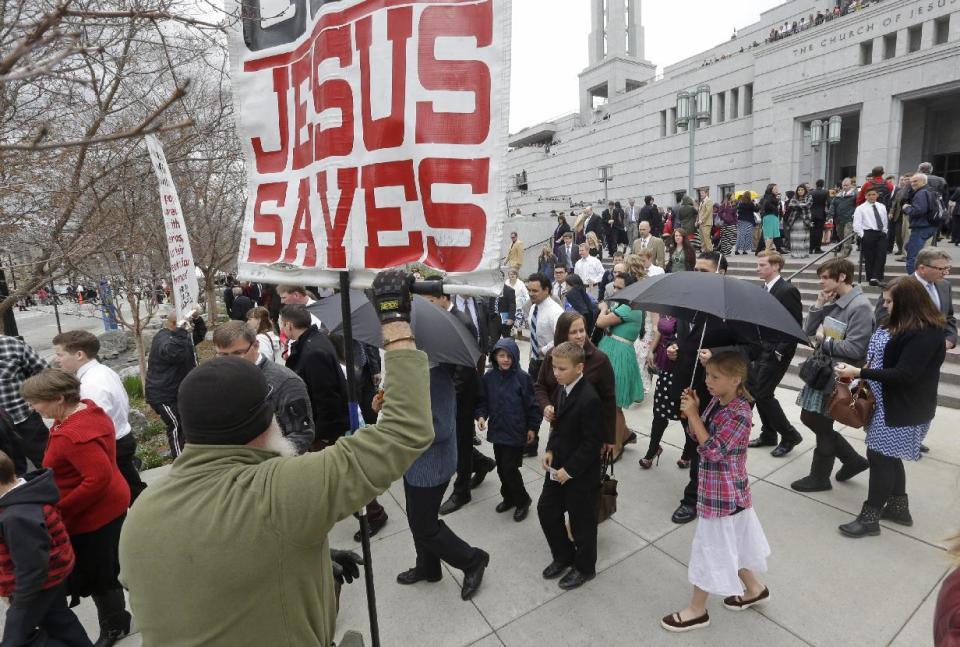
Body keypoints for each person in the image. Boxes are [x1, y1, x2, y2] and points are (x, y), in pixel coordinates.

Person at [119, 270, 436, 645]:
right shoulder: (279, 494)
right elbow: (405, 430)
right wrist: (395, 320)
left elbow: (208, 576)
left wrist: (307, 559)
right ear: (267, 422)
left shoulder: (141, 513)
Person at [660, 352, 770, 633]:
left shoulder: (740, 413)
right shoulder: (718, 402)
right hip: (720, 490)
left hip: (724, 494)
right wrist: (694, 410)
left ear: (735, 380)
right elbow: (698, 436)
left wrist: (695, 414)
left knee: (710, 550)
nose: (708, 381)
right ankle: (755, 588)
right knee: (735, 544)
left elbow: (714, 450)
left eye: (715, 377)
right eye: (707, 374)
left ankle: (697, 611)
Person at [20, 370, 131, 646]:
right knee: (104, 567)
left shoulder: (74, 435)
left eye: (35, 402)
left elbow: (96, 479)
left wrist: (61, 510)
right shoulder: (87, 412)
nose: (31, 407)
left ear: (58, 398)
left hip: (94, 516)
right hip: (107, 505)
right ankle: (116, 619)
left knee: (101, 574)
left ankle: (115, 624)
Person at [834, 278, 946, 537]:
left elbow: (906, 374)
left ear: (907, 302)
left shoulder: (926, 332)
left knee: (880, 457)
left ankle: (870, 517)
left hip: (903, 408)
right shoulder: (898, 323)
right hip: (885, 402)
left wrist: (859, 371)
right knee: (887, 455)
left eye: (889, 301)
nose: (884, 306)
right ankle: (898, 508)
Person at [386, 363, 490, 600]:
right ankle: (428, 567)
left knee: (425, 525)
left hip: (431, 466)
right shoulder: (413, 369)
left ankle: (473, 560)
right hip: (413, 462)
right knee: (417, 518)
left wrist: (399, 423)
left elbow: (440, 427)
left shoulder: (436, 376)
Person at [791, 258, 872, 493]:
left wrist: (823, 341)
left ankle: (820, 476)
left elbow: (856, 349)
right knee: (813, 418)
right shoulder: (834, 300)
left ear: (842, 277)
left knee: (821, 422)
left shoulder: (860, 307)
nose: (821, 282)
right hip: (824, 372)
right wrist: (818, 305)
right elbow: (806, 332)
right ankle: (852, 460)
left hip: (840, 377)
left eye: (826, 277)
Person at [0, 451, 91, 647]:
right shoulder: (25, 493)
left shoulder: (16, 516)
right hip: (50, 577)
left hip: (35, 587)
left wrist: (21, 601)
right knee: (61, 624)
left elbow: (32, 566)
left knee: (17, 641)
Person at [537, 342, 603, 591]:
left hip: (579, 474)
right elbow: (558, 425)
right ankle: (563, 555)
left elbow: (592, 442)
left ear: (579, 368)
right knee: (546, 510)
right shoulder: (562, 389)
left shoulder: (589, 398)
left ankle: (585, 567)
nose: (555, 372)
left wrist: (571, 470)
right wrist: (550, 450)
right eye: (554, 367)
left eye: (562, 368)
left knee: (581, 522)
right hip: (558, 466)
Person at [52, 331, 147, 503]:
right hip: (120, 438)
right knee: (132, 487)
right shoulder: (101, 371)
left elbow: (96, 425)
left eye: (60, 354)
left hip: (113, 444)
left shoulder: (91, 385)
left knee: (130, 493)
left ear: (79, 355)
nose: (57, 359)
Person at [212, 321, 315, 455]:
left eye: (237, 353)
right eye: (223, 355)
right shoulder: (214, 377)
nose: (229, 361)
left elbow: (302, 434)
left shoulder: (286, 382)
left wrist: (265, 460)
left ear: (255, 346)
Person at [475, 338, 542, 522]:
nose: (505, 360)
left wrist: (533, 428)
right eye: (501, 355)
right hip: (498, 430)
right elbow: (483, 401)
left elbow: (533, 406)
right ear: (495, 356)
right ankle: (509, 497)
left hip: (516, 431)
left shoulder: (523, 378)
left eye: (509, 356)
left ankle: (523, 500)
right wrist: (481, 415)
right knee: (502, 469)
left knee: (509, 468)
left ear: (515, 357)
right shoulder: (489, 378)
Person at [535, 312, 617, 457]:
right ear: (562, 334)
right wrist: (546, 405)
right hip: (558, 429)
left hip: (587, 434)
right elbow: (540, 386)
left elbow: (608, 401)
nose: (580, 336)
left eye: (582, 330)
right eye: (573, 332)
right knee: (556, 472)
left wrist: (609, 437)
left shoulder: (600, 360)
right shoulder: (552, 356)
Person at [747, 252, 804, 457]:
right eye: (758, 264)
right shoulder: (765, 288)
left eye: (762, 265)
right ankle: (769, 434)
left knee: (762, 394)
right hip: (762, 348)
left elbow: (795, 324)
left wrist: (781, 350)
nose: (757, 268)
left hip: (777, 351)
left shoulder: (787, 290)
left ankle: (790, 435)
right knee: (757, 392)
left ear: (776, 266)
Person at [280, 304, 349, 450]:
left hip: (323, 433)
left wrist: (322, 436)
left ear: (289, 325)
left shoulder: (313, 351)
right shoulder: (313, 340)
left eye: (281, 324)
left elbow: (326, 396)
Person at [595, 274, 645, 456]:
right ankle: (625, 435)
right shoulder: (624, 306)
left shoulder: (629, 308)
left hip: (619, 356)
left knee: (613, 405)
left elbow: (601, 322)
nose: (614, 290)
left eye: (618, 287)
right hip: (612, 352)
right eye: (614, 286)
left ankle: (616, 447)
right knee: (609, 402)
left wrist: (602, 308)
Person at [145, 312, 197, 458]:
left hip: (178, 391)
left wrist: (197, 320)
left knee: (187, 424)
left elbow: (197, 338)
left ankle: (190, 458)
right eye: (188, 324)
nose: (190, 327)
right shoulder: (163, 338)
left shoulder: (180, 337)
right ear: (175, 324)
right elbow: (173, 353)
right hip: (163, 394)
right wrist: (181, 331)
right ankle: (180, 462)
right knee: (177, 425)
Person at [642, 313, 686, 469]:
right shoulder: (667, 307)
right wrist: (651, 350)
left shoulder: (689, 314)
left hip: (683, 369)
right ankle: (652, 450)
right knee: (659, 412)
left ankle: (688, 453)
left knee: (685, 415)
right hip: (665, 366)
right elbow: (659, 330)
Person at [0, 335, 49, 473]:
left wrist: (37, 401)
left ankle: (57, 491)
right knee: (7, 473)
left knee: (47, 461)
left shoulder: (11, 345)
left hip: (24, 419)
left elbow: (44, 373)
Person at [913, 249, 957, 349]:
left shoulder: (945, 285)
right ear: (922, 268)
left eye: (948, 268)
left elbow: (948, 316)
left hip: (936, 354)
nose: (946, 273)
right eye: (941, 269)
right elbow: (885, 321)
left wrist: (950, 339)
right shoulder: (898, 288)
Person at [904, 173, 943, 274]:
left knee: (912, 258)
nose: (913, 184)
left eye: (916, 181)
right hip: (930, 226)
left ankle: (914, 282)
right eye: (912, 181)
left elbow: (918, 211)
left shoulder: (921, 193)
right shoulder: (932, 191)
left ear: (923, 181)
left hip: (921, 227)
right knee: (909, 247)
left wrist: (906, 208)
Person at [853, 187, 889, 286]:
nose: (872, 196)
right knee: (870, 257)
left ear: (877, 195)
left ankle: (878, 276)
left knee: (881, 256)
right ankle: (871, 277)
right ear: (865, 196)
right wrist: (862, 235)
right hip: (868, 233)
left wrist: (885, 231)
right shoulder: (860, 208)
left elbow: (884, 220)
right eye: (869, 195)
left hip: (881, 233)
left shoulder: (881, 206)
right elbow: (857, 224)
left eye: (874, 194)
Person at [830, 178, 858, 258]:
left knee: (847, 235)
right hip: (838, 219)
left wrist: (855, 215)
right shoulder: (838, 195)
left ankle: (845, 252)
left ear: (850, 185)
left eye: (847, 185)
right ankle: (848, 247)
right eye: (844, 185)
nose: (845, 187)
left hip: (849, 218)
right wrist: (830, 216)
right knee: (840, 234)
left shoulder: (855, 194)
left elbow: (857, 205)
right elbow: (833, 205)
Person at [785, 184, 811, 259]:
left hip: (804, 220)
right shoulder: (794, 197)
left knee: (803, 237)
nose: (800, 191)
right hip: (794, 220)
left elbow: (808, 205)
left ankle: (803, 254)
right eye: (799, 190)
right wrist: (801, 204)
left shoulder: (809, 197)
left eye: (802, 190)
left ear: (805, 190)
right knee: (794, 237)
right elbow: (791, 205)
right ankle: (795, 254)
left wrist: (798, 204)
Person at [505, 268, 529, 334]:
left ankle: (519, 334)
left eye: (514, 274)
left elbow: (526, 294)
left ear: (516, 275)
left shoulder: (520, 283)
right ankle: (511, 336)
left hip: (518, 306)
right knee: (510, 323)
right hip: (508, 306)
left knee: (518, 324)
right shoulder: (506, 283)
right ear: (508, 275)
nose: (512, 276)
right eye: (510, 274)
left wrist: (527, 302)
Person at [760, 184, 783, 252]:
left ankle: (768, 250)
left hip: (772, 217)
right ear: (770, 189)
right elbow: (766, 206)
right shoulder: (769, 197)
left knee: (772, 235)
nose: (777, 190)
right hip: (770, 217)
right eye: (775, 188)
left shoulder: (771, 197)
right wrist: (775, 208)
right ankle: (767, 250)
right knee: (769, 235)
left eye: (777, 188)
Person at [810, 179, 831, 254]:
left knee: (812, 231)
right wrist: (828, 211)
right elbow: (829, 202)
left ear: (816, 184)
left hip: (812, 213)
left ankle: (810, 248)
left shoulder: (811, 192)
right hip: (821, 214)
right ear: (823, 184)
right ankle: (817, 248)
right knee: (819, 231)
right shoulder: (825, 192)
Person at [735, 191, 759, 255]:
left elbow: (738, 211)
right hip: (749, 222)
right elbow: (756, 210)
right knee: (747, 236)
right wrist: (756, 204)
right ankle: (744, 250)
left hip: (740, 221)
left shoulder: (740, 203)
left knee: (740, 235)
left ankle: (736, 250)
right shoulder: (750, 203)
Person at [696, 189, 715, 253]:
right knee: (702, 239)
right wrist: (697, 221)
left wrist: (701, 220)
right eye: (700, 193)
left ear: (706, 193)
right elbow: (699, 212)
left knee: (706, 239)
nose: (701, 194)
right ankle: (704, 252)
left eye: (702, 193)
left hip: (706, 223)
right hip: (701, 223)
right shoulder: (702, 202)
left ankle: (711, 253)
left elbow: (708, 212)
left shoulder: (709, 201)